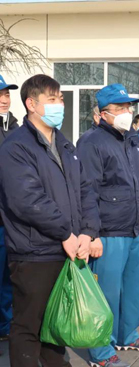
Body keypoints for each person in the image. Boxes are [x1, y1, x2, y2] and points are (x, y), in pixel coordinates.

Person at [0, 74, 100, 367]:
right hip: (34, 251)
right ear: (32, 104)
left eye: (61, 100)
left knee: (54, 325)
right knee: (28, 326)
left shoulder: (64, 143)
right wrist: (66, 233)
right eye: (52, 99)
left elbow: (85, 190)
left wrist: (87, 232)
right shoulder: (16, 147)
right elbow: (27, 200)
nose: (60, 105)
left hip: (67, 247)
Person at [78, 84, 139, 367]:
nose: (127, 113)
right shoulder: (91, 142)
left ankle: (127, 334)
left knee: (133, 288)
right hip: (108, 232)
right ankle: (101, 351)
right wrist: (92, 234)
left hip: (134, 227)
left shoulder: (131, 138)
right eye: (120, 108)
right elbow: (86, 190)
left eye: (128, 107)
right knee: (106, 295)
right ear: (102, 114)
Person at [0, 74, 18, 345]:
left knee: (7, 278)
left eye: (6, 94)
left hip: (10, 218)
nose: (4, 99)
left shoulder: (15, 129)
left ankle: (5, 326)